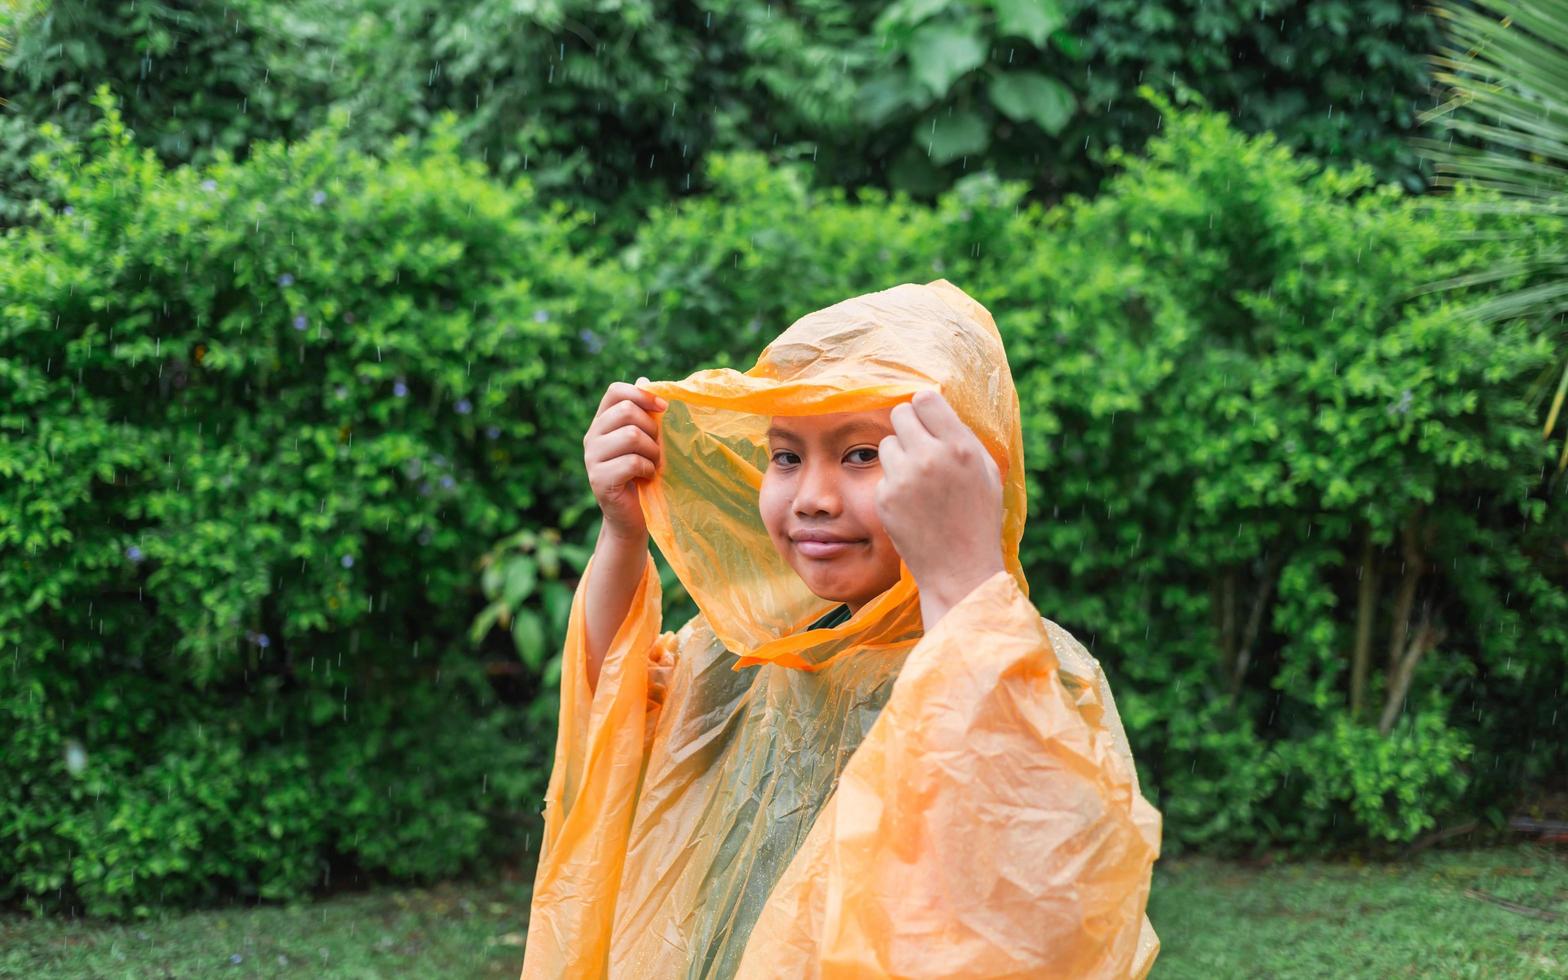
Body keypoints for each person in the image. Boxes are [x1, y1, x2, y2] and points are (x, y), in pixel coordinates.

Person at [521, 279, 1161, 979]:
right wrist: (623, 532)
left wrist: (964, 572)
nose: (814, 500)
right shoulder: (747, 666)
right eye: (787, 456)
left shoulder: (1032, 676)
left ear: (968, 469)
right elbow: (612, 726)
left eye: (862, 454)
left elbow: (1006, 906)